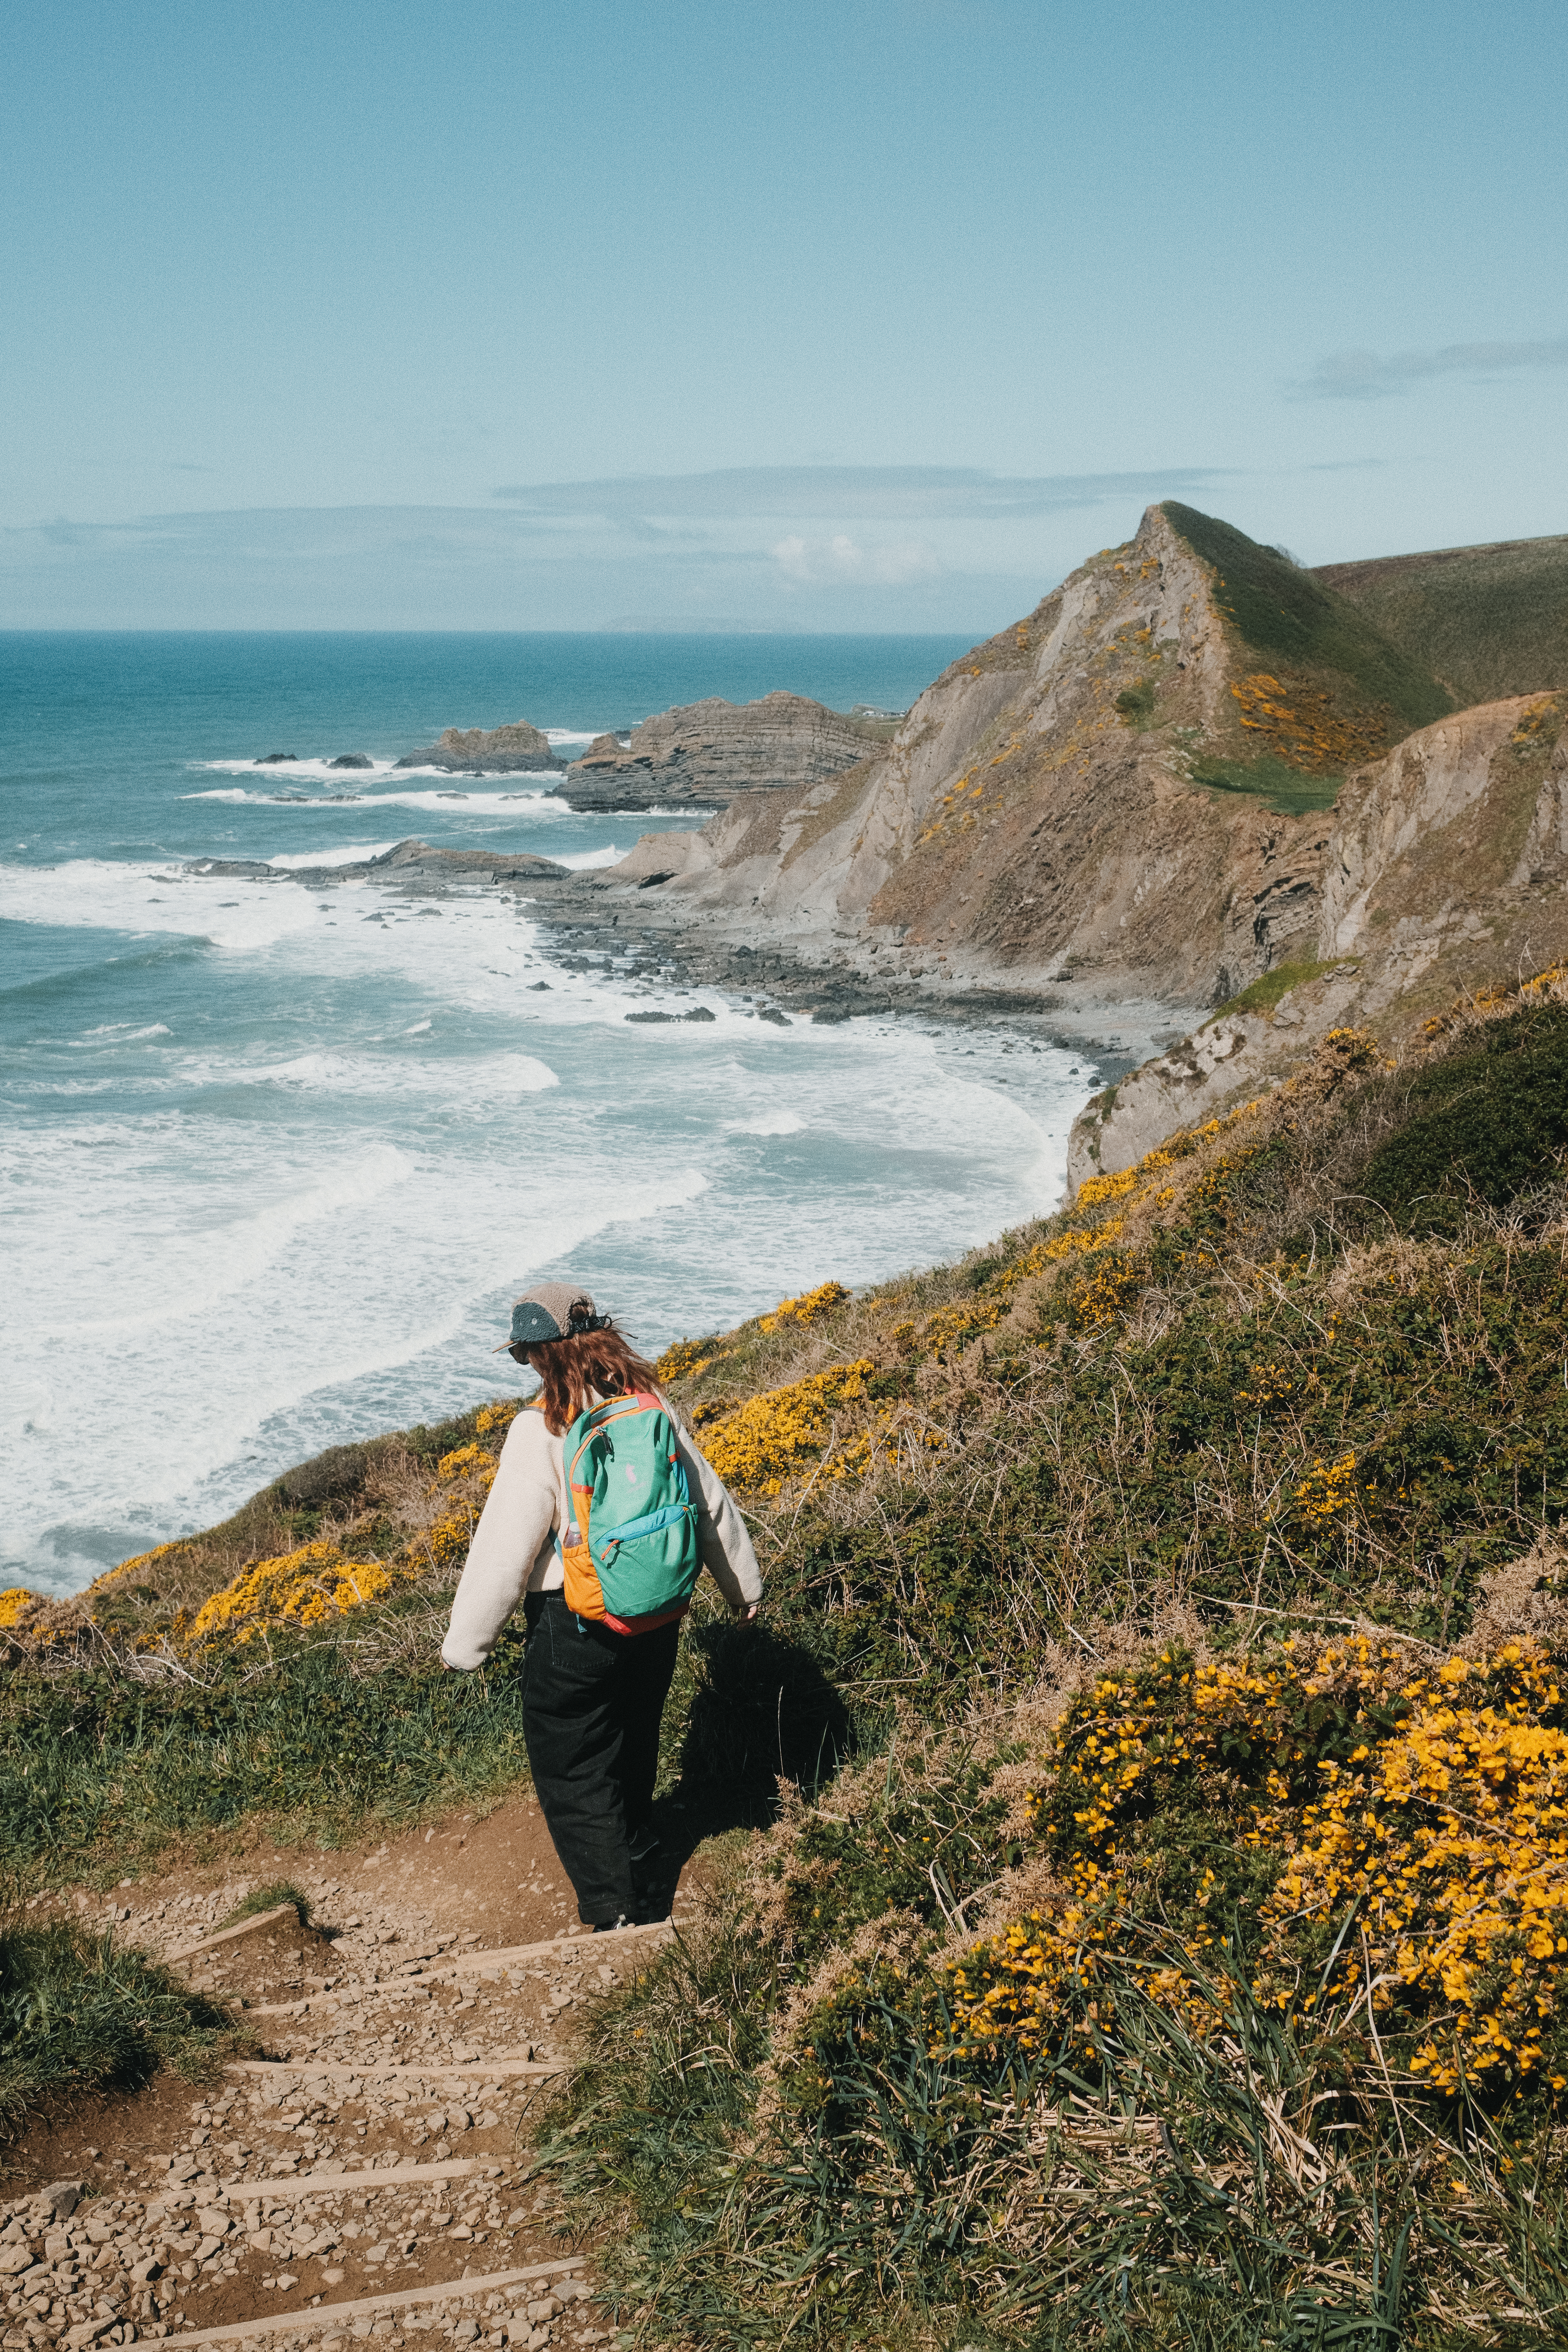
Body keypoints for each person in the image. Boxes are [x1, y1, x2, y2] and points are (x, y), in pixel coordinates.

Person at [441, 1280, 761, 1930]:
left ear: (539, 1354)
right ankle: (638, 1849)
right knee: (633, 1738)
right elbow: (707, 1502)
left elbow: (504, 1548)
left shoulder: (541, 1429)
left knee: (574, 1765)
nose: (525, 1366)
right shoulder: (648, 1406)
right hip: (657, 1609)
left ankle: (616, 1915)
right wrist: (743, 1588)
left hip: (575, 1619)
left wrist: (466, 1645)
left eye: (523, 1355)